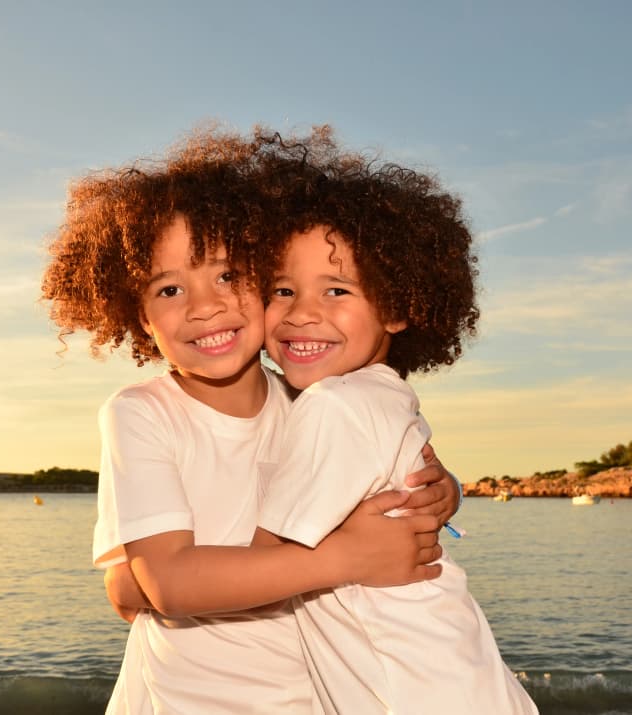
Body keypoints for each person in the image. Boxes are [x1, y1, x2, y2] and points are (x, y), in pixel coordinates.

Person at [40, 127, 460, 714]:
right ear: (137, 318)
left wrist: (445, 491)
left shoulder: (312, 397)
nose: (204, 305)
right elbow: (160, 587)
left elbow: (396, 457)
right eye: (168, 288)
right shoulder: (143, 414)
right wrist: (346, 558)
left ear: (267, 280)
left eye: (228, 275)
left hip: (309, 695)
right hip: (187, 700)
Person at [250, 135, 539, 714]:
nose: (302, 311)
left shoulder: (336, 405)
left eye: (337, 290)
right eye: (282, 290)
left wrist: (150, 579)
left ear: (401, 305)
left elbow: (260, 564)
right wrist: (449, 489)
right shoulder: (382, 392)